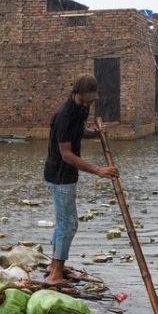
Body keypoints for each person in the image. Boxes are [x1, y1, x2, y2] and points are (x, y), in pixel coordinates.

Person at [44, 74, 119, 285]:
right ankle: (55, 274)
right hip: (59, 176)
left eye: (90, 100)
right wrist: (98, 170)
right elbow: (66, 154)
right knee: (68, 224)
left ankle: (53, 265)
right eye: (83, 99)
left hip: (67, 175)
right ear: (74, 93)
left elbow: (77, 132)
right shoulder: (64, 115)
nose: (87, 104)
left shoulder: (81, 109)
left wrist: (95, 133)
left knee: (65, 223)